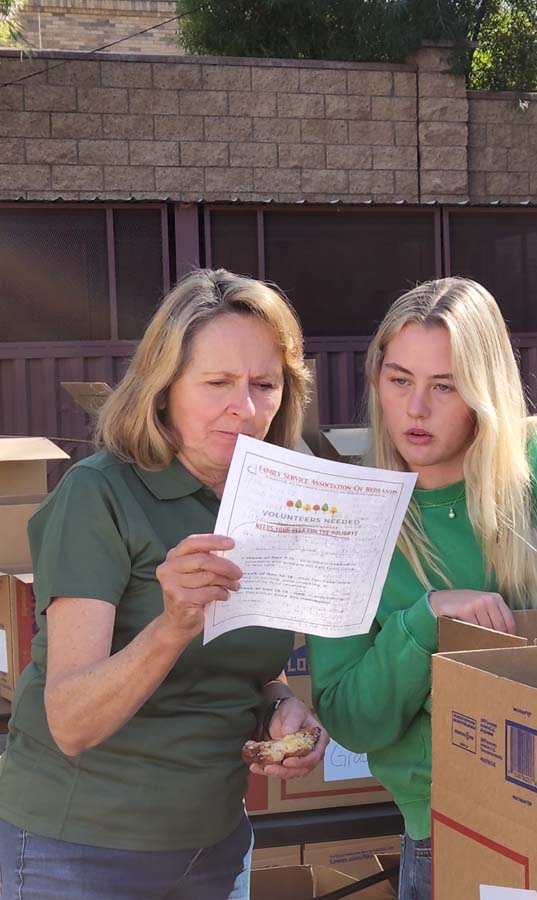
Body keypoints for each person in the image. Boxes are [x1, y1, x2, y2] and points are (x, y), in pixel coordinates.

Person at [307, 277, 537, 900]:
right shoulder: (350, 514)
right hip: (449, 832)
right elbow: (351, 718)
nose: (416, 409)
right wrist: (425, 624)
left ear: (484, 389)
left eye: (444, 386)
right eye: (400, 381)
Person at [0, 269, 330, 900]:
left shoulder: (275, 498)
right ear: (163, 388)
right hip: (78, 852)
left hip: (215, 845)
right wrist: (174, 622)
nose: (247, 406)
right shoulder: (100, 495)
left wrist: (281, 707)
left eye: (265, 384)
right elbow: (71, 720)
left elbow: (240, 664)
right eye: (217, 383)